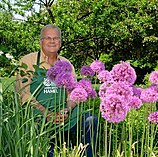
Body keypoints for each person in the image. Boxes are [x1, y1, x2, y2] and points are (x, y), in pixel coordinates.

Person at [16, 24, 98, 157]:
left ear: (60, 42)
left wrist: (66, 110)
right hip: (40, 118)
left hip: (66, 115)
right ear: (41, 41)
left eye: (55, 38)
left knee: (90, 121)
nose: (52, 41)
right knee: (48, 150)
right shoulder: (28, 61)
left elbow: (73, 94)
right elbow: (24, 95)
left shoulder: (66, 63)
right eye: (48, 38)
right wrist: (47, 114)